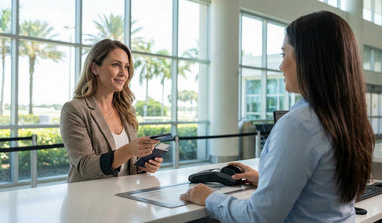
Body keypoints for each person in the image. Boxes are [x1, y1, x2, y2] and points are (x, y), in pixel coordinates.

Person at [180, 11, 375, 222]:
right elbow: (323, 188)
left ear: (308, 57)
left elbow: (259, 217)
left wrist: (210, 198)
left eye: (284, 54)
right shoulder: (349, 119)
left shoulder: (299, 124)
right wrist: (267, 179)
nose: (281, 66)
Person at [60, 39, 162, 183]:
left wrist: (143, 165)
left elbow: (127, 164)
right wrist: (129, 150)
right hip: (89, 200)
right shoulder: (74, 110)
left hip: (125, 197)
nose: (123, 73)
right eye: (116, 65)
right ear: (94, 68)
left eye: (126, 67)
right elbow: (85, 167)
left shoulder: (127, 110)